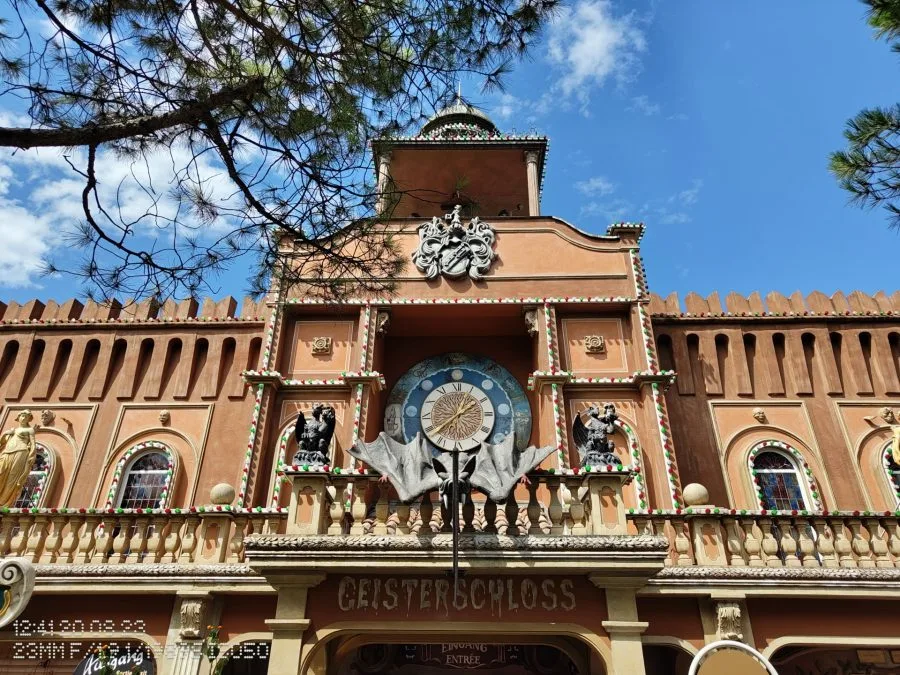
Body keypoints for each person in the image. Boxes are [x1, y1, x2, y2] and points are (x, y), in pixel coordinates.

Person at [0, 410, 37, 507]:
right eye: (23, 416)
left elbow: (33, 444)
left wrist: (32, 455)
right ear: (18, 417)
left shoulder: (30, 430)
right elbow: (2, 442)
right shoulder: (13, 430)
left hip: (21, 452)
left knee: (12, 478)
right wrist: (6, 433)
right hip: (7, 452)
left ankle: (3, 502)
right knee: (1, 472)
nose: (24, 418)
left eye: (27, 417)